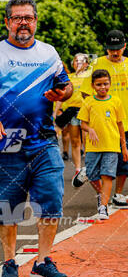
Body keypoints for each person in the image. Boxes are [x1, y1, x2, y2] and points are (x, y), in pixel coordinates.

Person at [0, 0, 72, 277]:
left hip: (43, 140)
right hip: (7, 140)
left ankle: (43, 261)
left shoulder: (49, 53)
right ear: (7, 22)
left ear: (35, 21)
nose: (23, 23)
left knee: (52, 199)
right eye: (17, 18)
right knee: (8, 205)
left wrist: (62, 94)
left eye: (28, 17)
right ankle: (9, 261)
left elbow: (65, 85)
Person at [80, 30, 128, 207]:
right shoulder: (97, 63)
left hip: (124, 122)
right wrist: (94, 115)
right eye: (111, 49)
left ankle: (117, 194)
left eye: (118, 49)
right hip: (103, 125)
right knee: (98, 165)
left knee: (124, 161)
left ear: (124, 46)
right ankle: (103, 195)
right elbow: (86, 93)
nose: (115, 53)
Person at [78, 69, 127, 219]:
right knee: (93, 176)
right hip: (93, 147)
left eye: (105, 84)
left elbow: (120, 126)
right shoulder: (88, 102)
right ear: (93, 86)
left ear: (110, 84)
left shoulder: (116, 102)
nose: (102, 87)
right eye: (99, 84)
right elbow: (82, 123)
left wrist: (123, 146)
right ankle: (101, 195)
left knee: (107, 175)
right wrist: (90, 129)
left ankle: (103, 207)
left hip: (112, 146)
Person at [54, 53, 90, 186]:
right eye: (76, 61)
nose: (78, 64)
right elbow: (61, 96)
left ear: (86, 64)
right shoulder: (68, 78)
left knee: (87, 141)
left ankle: (90, 168)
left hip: (86, 112)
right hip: (72, 111)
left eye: (81, 61)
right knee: (75, 141)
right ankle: (78, 169)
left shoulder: (90, 77)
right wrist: (55, 111)